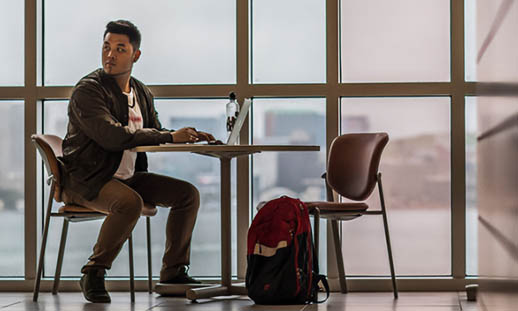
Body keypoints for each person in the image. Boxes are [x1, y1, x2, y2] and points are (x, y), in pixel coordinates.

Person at [60, 20, 214, 303]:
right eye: (107, 47)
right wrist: (169, 137)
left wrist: (186, 135)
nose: (110, 55)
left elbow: (154, 130)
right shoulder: (88, 90)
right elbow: (111, 136)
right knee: (128, 202)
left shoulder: (140, 92)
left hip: (127, 176)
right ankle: (94, 270)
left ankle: (174, 271)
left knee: (187, 195)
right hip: (87, 179)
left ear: (136, 55)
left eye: (120, 49)